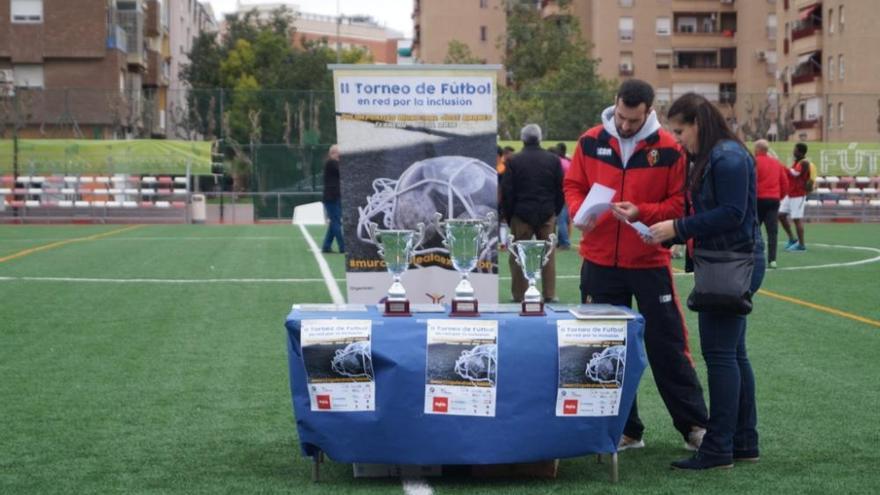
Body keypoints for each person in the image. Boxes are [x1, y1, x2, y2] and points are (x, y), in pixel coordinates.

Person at [564, 79, 708, 452]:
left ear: (648, 111)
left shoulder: (671, 149)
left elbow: (679, 205)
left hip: (648, 261)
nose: (626, 125)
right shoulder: (590, 140)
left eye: (634, 119)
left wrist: (641, 211)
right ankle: (626, 429)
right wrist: (581, 211)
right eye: (622, 117)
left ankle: (694, 426)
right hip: (598, 260)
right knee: (604, 348)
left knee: (668, 345)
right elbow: (574, 185)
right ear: (615, 104)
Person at [646, 92, 765, 470]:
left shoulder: (726, 157)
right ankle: (743, 442)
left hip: (730, 262)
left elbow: (732, 213)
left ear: (698, 122)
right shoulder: (718, 154)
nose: (677, 139)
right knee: (733, 354)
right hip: (728, 259)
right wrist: (677, 231)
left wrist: (678, 227)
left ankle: (719, 449)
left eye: (680, 131)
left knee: (720, 356)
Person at [501, 124, 564, 303]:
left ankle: (519, 294)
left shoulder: (513, 161)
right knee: (548, 255)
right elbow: (560, 189)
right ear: (540, 138)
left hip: (521, 214)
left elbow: (507, 191)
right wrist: (555, 211)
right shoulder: (553, 160)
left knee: (518, 256)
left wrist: (509, 214)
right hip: (546, 213)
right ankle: (550, 293)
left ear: (522, 139)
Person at [754, 139, 789, 268]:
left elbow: (751, 181)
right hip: (773, 199)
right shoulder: (777, 163)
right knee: (772, 231)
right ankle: (772, 260)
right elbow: (785, 183)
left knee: (754, 228)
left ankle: (755, 255)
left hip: (758, 199)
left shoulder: (754, 162)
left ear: (758, 149)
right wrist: (779, 196)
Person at [778, 142, 810, 252]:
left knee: (797, 219)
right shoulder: (797, 162)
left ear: (800, 152)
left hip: (798, 195)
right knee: (781, 215)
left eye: (795, 150)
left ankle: (801, 245)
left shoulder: (804, 162)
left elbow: (795, 174)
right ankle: (792, 239)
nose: (793, 151)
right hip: (790, 193)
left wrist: (782, 167)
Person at [321, 144, 344, 254]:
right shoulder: (331, 163)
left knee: (334, 222)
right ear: (333, 153)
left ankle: (326, 246)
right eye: (339, 152)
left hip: (335, 197)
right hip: (331, 198)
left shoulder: (334, 163)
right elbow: (342, 171)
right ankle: (343, 247)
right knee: (336, 222)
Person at [555, 143, 572, 250]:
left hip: (561, 191)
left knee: (561, 219)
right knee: (564, 218)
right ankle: (561, 241)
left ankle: (565, 242)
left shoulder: (559, 162)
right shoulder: (568, 161)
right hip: (569, 192)